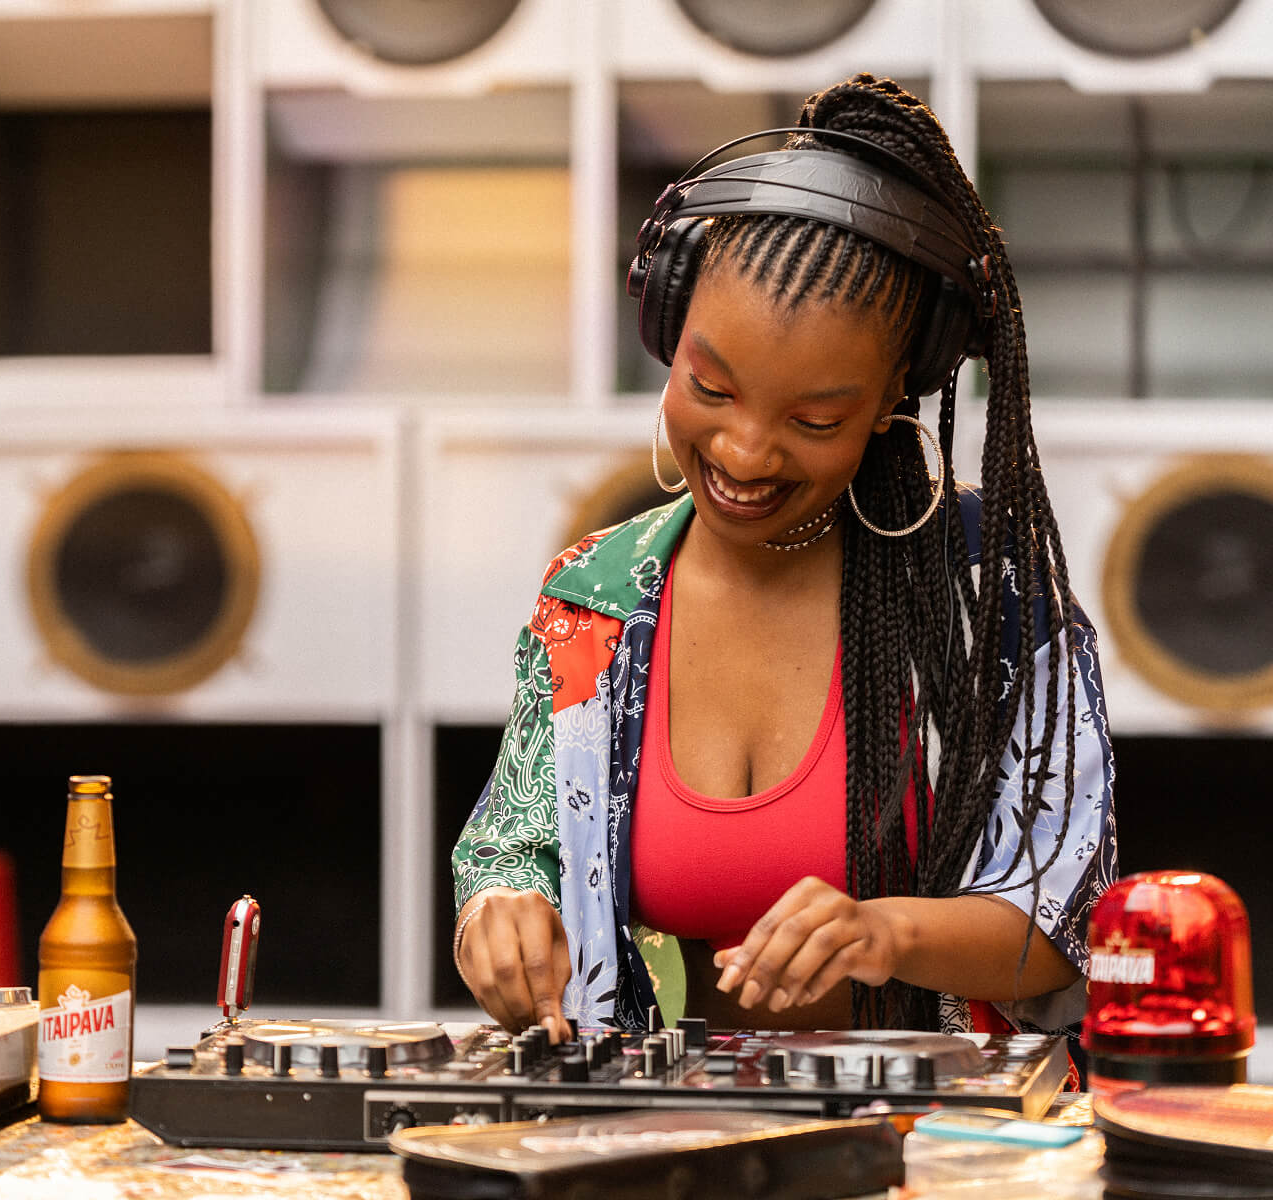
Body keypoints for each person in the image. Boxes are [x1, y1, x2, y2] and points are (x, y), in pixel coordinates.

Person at [449, 74, 1116, 1042]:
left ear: (896, 398)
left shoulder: (986, 593)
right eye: (710, 390)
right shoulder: (594, 596)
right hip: (664, 1142)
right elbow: (516, 842)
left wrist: (886, 932)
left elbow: (1067, 918)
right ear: (667, 334)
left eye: (815, 419)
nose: (746, 453)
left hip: (944, 1149)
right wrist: (501, 909)